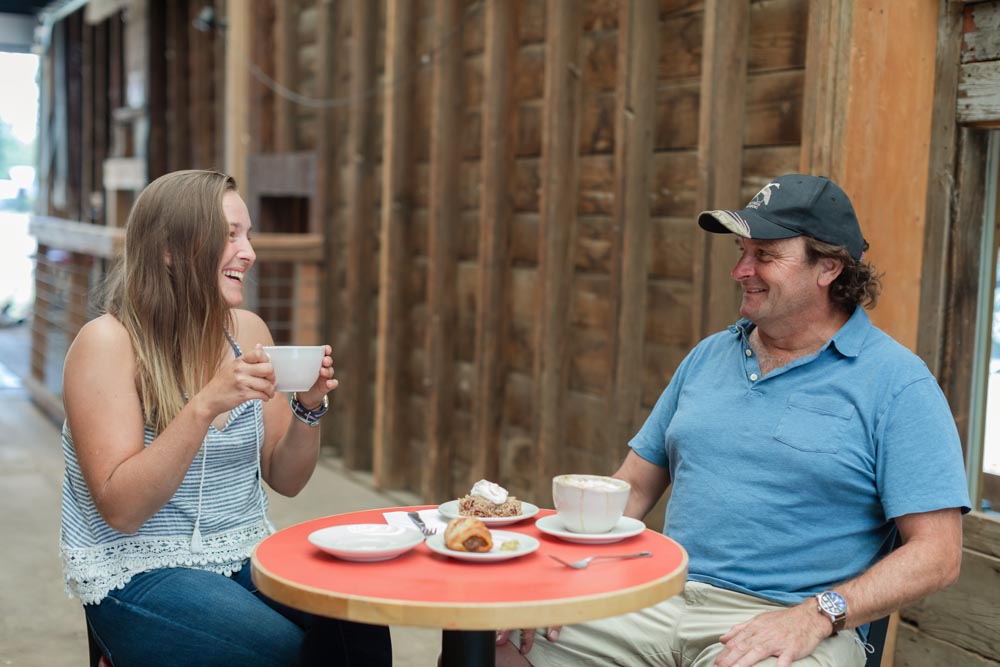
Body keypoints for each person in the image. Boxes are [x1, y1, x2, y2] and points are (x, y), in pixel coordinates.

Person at [496, 174, 971, 667]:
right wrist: (552, 574)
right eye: (742, 251)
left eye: (764, 255)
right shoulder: (708, 357)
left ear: (827, 267)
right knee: (492, 640)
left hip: (787, 619)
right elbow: (633, 487)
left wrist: (817, 615)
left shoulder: (897, 383)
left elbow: (938, 555)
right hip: (655, 597)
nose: (741, 269)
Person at [59, 170, 391, 667]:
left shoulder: (248, 331)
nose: (249, 252)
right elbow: (121, 509)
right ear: (170, 250)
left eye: (248, 234)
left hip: (245, 553)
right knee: (285, 651)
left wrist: (309, 407)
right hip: (139, 569)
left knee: (359, 622)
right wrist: (205, 404)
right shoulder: (108, 343)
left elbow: (287, 478)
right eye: (231, 234)